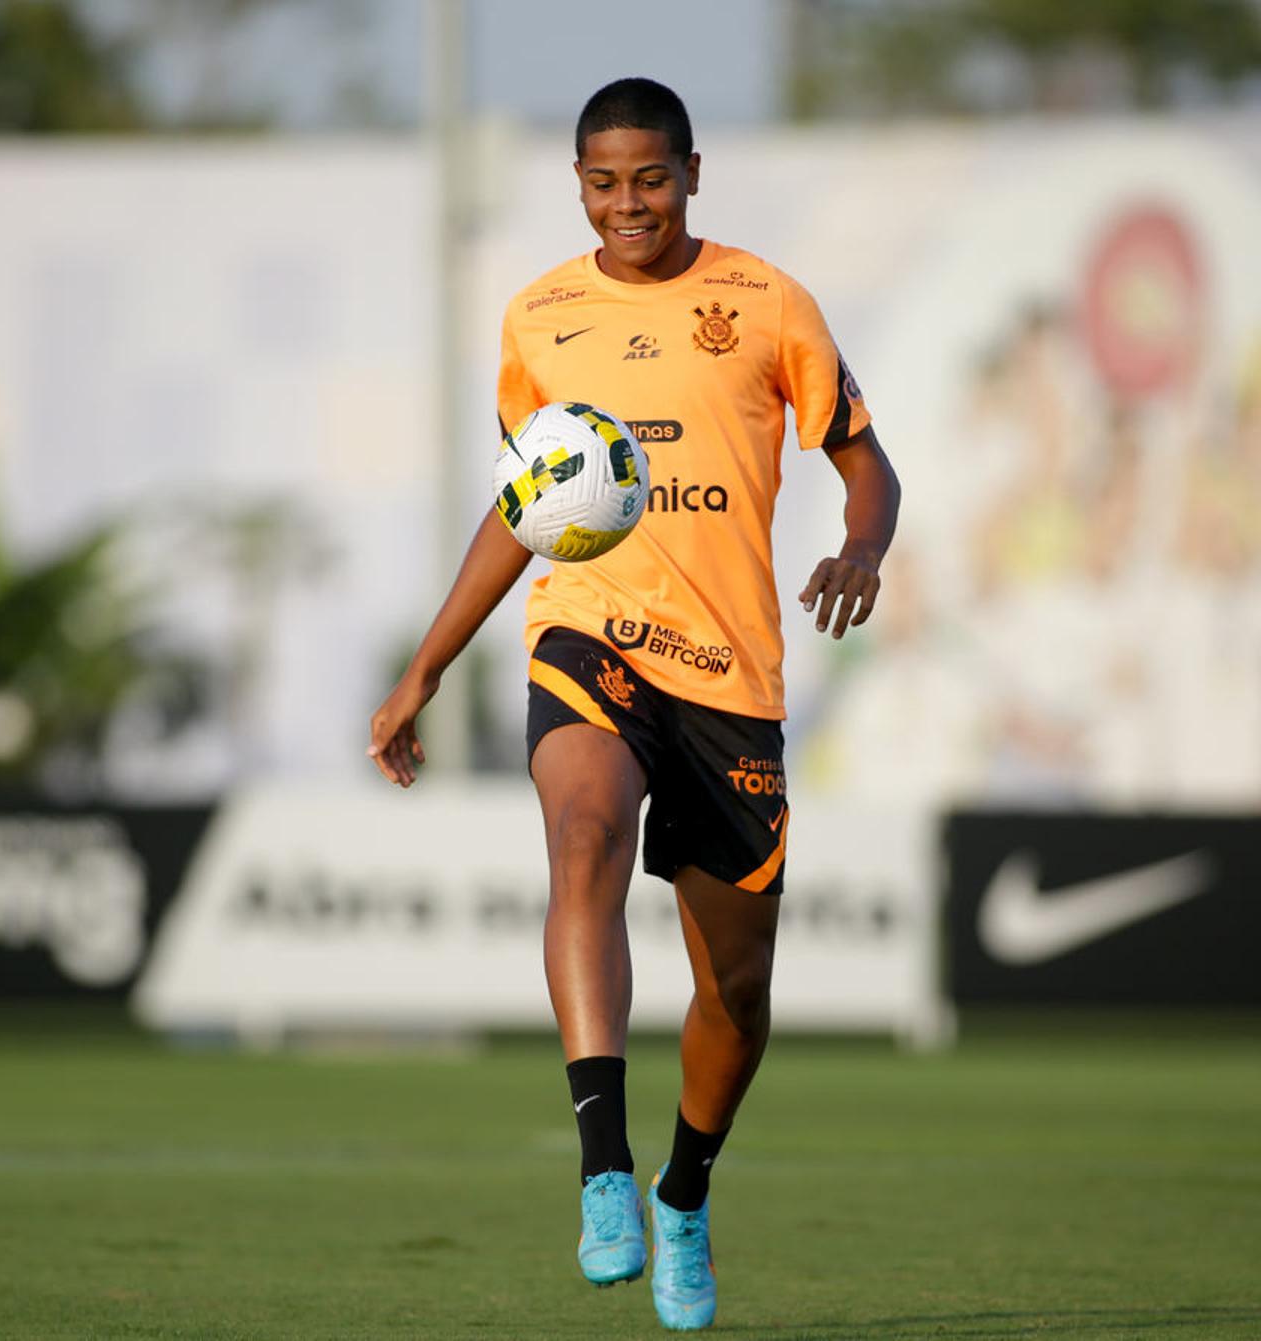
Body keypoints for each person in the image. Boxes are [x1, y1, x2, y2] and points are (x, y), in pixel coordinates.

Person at [367, 77, 899, 1331]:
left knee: (737, 993)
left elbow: (865, 465)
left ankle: (683, 1190)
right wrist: (426, 665)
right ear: (578, 185)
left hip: (731, 676)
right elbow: (528, 513)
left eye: (649, 179)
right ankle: (603, 1166)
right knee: (583, 839)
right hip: (589, 635)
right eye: (603, 183)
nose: (628, 205)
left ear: (694, 174)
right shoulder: (540, 317)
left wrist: (862, 547)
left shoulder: (769, 305)